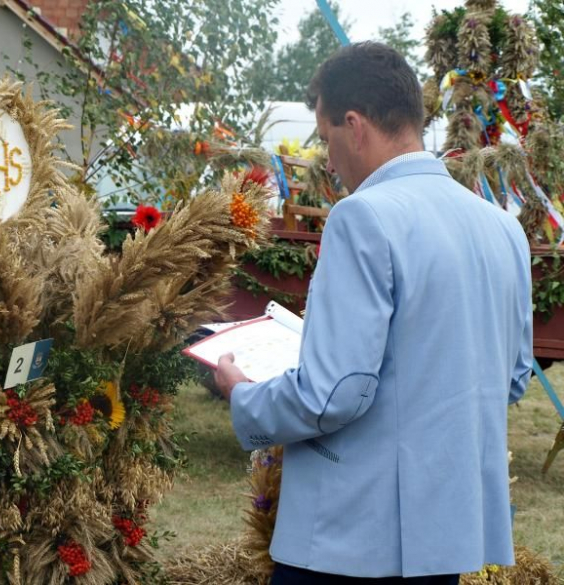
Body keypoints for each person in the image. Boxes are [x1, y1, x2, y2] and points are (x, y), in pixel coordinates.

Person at [215, 42, 532, 585]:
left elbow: (333, 393)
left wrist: (244, 395)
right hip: (445, 538)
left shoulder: (362, 216)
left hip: (352, 539)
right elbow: (513, 378)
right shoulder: (502, 227)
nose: (327, 158)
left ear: (354, 125)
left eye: (325, 137)